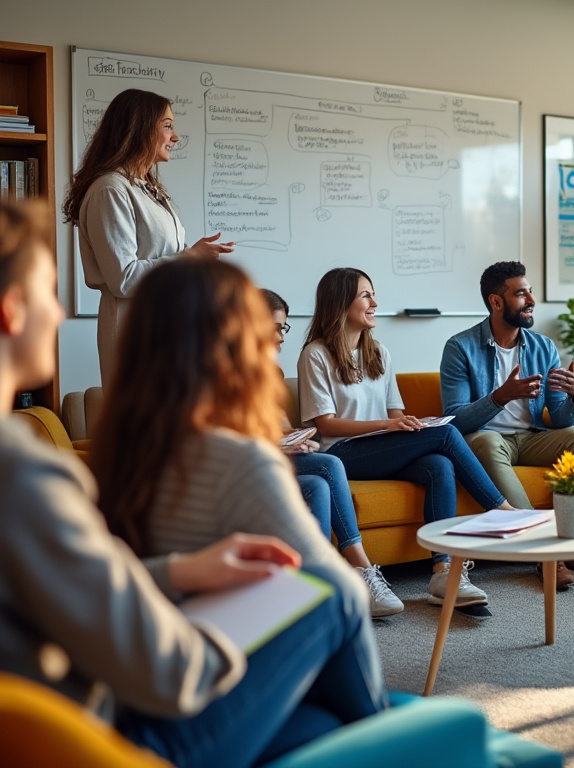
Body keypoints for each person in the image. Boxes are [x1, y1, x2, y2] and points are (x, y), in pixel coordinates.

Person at [0, 201, 386, 768]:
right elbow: (172, 673)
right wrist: (231, 641)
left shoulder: (102, 454)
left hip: (61, 723)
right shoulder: (25, 475)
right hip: (121, 734)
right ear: (11, 310)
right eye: (47, 293)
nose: (60, 313)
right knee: (335, 600)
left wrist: (178, 572)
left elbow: (59, 591)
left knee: (323, 723)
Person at [298, 267, 512, 609]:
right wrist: (386, 426)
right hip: (341, 453)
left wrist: (411, 425)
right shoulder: (316, 354)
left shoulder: (378, 352)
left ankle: (443, 571)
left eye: (372, 294)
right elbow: (326, 425)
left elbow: (395, 413)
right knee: (446, 436)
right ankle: (502, 510)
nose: (374, 303)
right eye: (365, 296)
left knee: (439, 464)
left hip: (379, 448)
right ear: (340, 303)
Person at [440, 261, 574, 590]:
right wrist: (499, 398)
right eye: (521, 293)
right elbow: (455, 420)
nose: (531, 299)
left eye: (530, 291)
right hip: (488, 440)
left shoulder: (543, 347)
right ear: (496, 302)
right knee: (486, 443)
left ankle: (572, 540)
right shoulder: (460, 348)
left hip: (530, 439)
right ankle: (547, 554)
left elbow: (558, 418)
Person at [61, 88, 234, 385]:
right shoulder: (110, 190)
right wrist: (189, 257)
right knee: (145, 428)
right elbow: (124, 277)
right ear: (139, 129)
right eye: (167, 126)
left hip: (168, 328)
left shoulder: (146, 188)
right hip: (136, 331)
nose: (175, 137)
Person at [262, 288, 403, 617]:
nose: (282, 336)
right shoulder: (215, 371)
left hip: (272, 457)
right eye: (276, 327)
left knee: (319, 484)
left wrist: (296, 439)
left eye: (284, 327)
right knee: (327, 465)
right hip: (241, 463)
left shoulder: (270, 373)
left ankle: (317, 583)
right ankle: (361, 568)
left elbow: (279, 428)